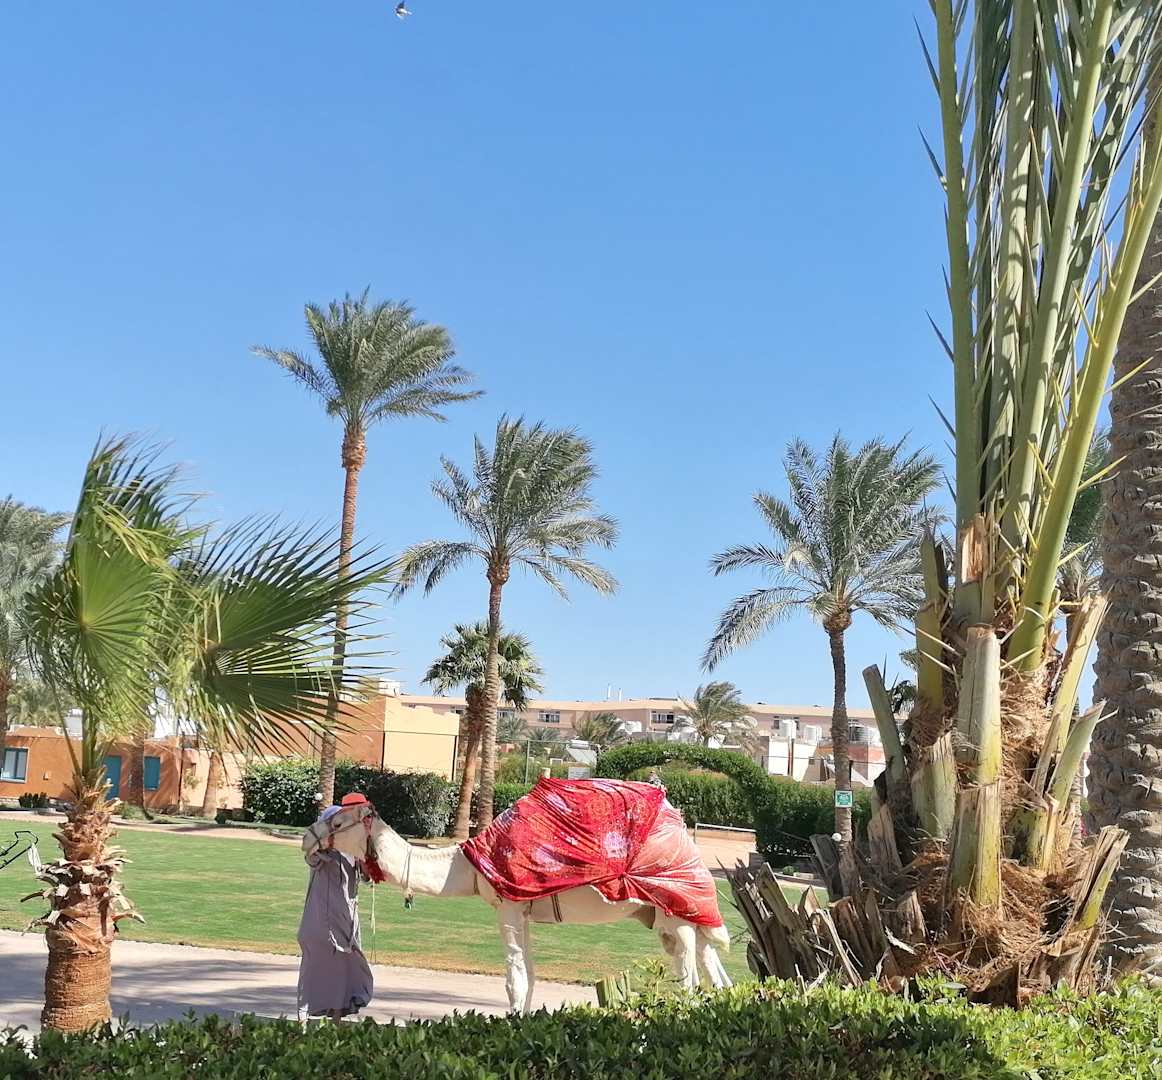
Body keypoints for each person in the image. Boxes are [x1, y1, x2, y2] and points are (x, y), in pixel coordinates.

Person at [296, 793, 375, 1021]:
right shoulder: (327, 843)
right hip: (322, 916)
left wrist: (365, 858)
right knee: (319, 963)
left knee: (348, 963)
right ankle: (307, 1015)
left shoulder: (358, 844)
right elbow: (311, 854)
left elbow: (369, 875)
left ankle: (339, 1015)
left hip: (347, 915)